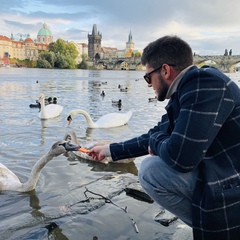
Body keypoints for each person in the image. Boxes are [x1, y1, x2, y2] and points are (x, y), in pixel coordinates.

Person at [87, 35, 240, 240]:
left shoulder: (206, 85)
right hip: (224, 172)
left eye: (148, 77)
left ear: (165, 70)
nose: (149, 85)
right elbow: (155, 134)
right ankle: (209, 224)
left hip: (232, 185)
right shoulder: (191, 89)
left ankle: (220, 228)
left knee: (151, 170)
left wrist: (157, 142)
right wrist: (108, 151)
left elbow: (180, 158)